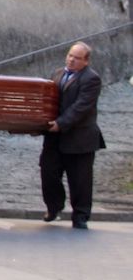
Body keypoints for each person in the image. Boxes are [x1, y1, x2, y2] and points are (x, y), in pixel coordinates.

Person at [41, 41, 106, 229]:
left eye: (77, 58)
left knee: (80, 180)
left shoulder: (91, 79)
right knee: (49, 173)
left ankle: (81, 215)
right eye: (70, 55)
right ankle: (53, 207)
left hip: (80, 139)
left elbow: (82, 107)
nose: (71, 60)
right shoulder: (57, 74)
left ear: (86, 61)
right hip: (54, 138)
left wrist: (61, 124)